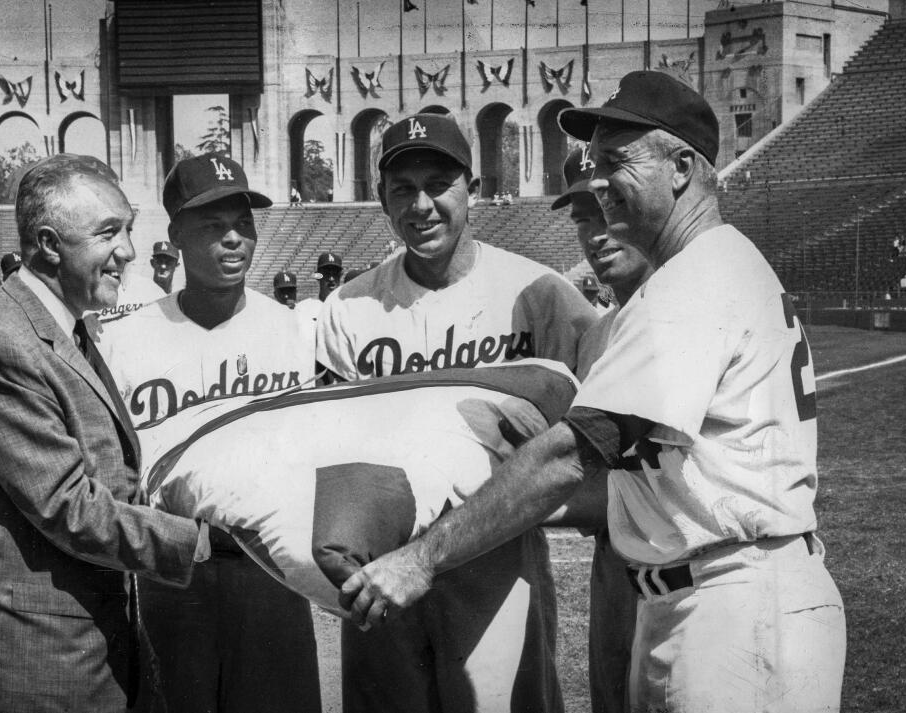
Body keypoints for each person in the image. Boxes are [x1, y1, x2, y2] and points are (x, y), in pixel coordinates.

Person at [340, 72, 847, 713]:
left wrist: (422, 557)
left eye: (617, 161)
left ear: (683, 167)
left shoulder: (691, 283)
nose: (598, 179)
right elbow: (626, 477)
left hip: (737, 601)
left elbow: (568, 457)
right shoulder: (715, 264)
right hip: (721, 588)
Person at [316, 112, 597, 713]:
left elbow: (594, 432)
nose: (421, 205)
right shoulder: (347, 307)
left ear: (472, 185)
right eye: (401, 189)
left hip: (498, 554)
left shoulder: (540, 294)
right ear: (381, 199)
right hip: (384, 564)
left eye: (438, 184)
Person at [0, 153, 205, 713]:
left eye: (127, 229)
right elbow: (66, 506)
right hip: (33, 658)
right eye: (109, 232)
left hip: (77, 636)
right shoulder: (0, 343)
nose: (127, 251)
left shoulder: (64, 328)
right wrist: (199, 540)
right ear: (50, 244)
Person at [96, 154, 321, 713]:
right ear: (175, 236)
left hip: (270, 569)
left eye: (243, 224)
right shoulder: (126, 339)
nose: (232, 240)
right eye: (212, 226)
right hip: (173, 573)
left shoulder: (293, 331)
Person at [551, 144, 653, 713]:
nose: (597, 232)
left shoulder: (683, 308)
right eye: (584, 216)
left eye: (609, 207)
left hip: (685, 558)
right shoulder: (595, 334)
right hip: (614, 563)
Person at [294, 251, 342, 326]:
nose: (331, 279)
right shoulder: (303, 308)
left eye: (335, 274)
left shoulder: (348, 307)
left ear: (340, 275)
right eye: (326, 274)